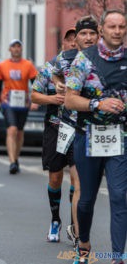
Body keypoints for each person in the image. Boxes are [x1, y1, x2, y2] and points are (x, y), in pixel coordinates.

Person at [65, 9, 127, 264]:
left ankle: (117, 256)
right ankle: (85, 241)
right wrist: (97, 105)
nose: (117, 31)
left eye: (121, 27)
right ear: (102, 30)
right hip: (87, 136)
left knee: (119, 195)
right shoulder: (84, 60)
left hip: (119, 137)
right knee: (87, 199)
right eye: (112, 27)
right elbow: (69, 99)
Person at [52, 16, 100, 248]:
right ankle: (81, 239)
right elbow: (49, 74)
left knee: (116, 192)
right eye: (82, 34)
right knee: (77, 182)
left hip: (105, 129)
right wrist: (58, 83)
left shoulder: (108, 58)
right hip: (73, 127)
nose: (87, 38)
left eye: (92, 33)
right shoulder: (66, 59)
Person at [30, 27, 80, 244]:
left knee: (77, 179)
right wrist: (53, 99)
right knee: (55, 177)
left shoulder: (85, 67)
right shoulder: (50, 67)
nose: (73, 44)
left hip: (78, 128)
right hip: (55, 126)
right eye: (69, 41)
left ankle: (74, 224)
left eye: (75, 40)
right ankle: (55, 219)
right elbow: (34, 95)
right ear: (63, 43)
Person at [0, 39, 38, 174]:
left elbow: (35, 84)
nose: (16, 49)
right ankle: (12, 161)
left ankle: (16, 158)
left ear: (21, 49)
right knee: (11, 130)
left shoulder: (28, 65)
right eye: (13, 46)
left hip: (23, 103)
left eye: (18, 46)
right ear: (10, 49)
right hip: (8, 102)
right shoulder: (3, 65)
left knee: (19, 132)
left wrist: (35, 100)